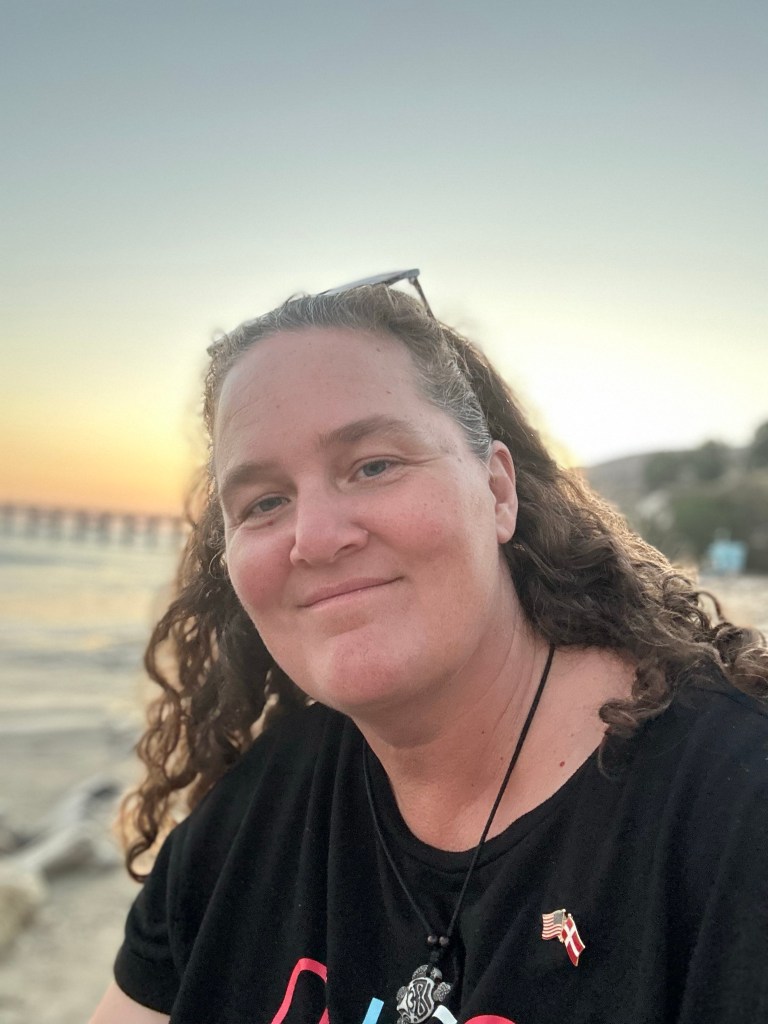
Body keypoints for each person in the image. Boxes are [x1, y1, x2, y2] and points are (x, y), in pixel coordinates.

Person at [90, 278, 768, 1024]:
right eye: (264, 503)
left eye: (373, 465)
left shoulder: (731, 815)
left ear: (498, 492)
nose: (315, 538)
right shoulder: (251, 820)